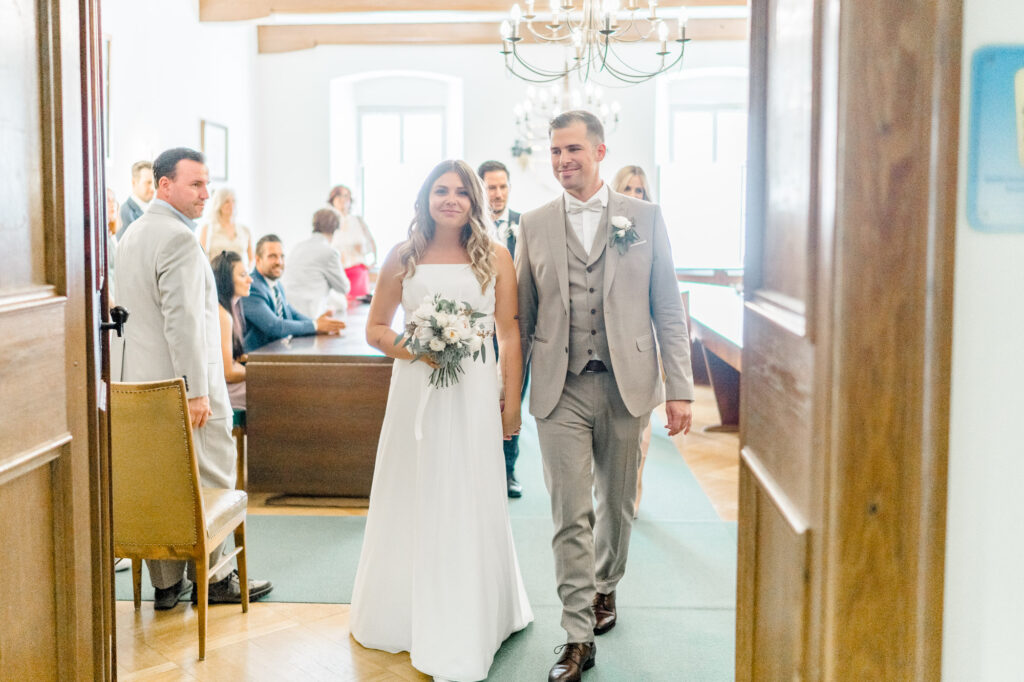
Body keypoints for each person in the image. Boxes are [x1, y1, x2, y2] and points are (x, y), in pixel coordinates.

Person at [516, 111, 694, 681]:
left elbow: (667, 306)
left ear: (600, 151)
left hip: (627, 384)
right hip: (558, 386)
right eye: (554, 152)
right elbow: (521, 316)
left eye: (572, 149)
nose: (563, 160)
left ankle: (605, 585)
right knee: (570, 510)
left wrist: (681, 389)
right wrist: (505, 395)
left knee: (615, 509)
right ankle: (576, 635)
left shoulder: (643, 217)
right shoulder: (534, 223)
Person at [350, 159, 533, 681]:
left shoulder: (495, 256)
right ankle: (404, 612)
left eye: (461, 192)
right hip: (417, 390)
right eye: (440, 191)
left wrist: (511, 400)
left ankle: (476, 610)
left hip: (474, 390)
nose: (450, 200)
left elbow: (510, 334)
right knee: (415, 486)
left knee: (469, 488)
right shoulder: (402, 256)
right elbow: (376, 329)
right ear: (425, 198)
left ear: (475, 201)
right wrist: (415, 348)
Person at [115, 147, 273, 609]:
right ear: (165, 185)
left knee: (160, 486)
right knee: (213, 475)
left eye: (208, 184)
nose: (206, 193)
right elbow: (183, 321)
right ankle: (219, 577)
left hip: (141, 386)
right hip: (186, 388)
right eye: (196, 184)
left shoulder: (132, 235)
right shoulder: (179, 240)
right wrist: (196, 392)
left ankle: (167, 586)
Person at [478, 159, 526, 498]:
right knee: (481, 402)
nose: (498, 193)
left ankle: (508, 472)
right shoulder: (469, 229)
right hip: (479, 333)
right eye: (491, 187)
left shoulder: (526, 226)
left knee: (511, 399)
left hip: (514, 329)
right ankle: (481, 469)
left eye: (503, 186)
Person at [612, 165, 656, 518]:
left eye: (639, 190)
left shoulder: (653, 228)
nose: (633, 195)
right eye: (627, 188)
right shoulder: (604, 229)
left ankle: (637, 484)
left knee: (642, 428)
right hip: (611, 342)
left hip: (642, 341)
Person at [241, 234, 346, 351]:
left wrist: (319, 324)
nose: (279, 262)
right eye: (272, 256)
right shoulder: (251, 286)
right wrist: (315, 326)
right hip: (256, 358)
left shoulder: (276, 285)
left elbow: (292, 314)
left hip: (278, 351)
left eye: (281, 256)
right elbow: (274, 326)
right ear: (258, 259)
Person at [280, 207, 351, 319]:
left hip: (286, 311)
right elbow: (344, 288)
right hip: (309, 315)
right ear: (335, 229)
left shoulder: (298, 247)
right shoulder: (330, 252)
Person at [211, 250, 251, 419]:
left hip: (229, 385)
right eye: (243, 275)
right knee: (272, 393)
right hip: (222, 390)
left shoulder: (233, 309)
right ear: (226, 280)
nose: (250, 280)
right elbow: (229, 373)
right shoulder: (222, 315)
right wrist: (259, 372)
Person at [327, 184, 377, 300]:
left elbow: (371, 242)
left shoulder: (357, 221)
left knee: (358, 311)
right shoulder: (329, 222)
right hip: (337, 274)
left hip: (358, 271)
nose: (342, 200)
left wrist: (373, 261)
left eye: (346, 196)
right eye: (339, 196)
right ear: (333, 200)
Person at [198, 188, 255, 269]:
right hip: (216, 277)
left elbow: (251, 260)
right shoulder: (208, 229)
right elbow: (202, 258)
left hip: (239, 278)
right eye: (226, 201)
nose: (231, 205)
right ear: (219, 204)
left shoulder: (245, 230)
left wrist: (246, 273)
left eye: (233, 201)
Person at [116, 160, 154, 238]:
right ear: (134, 182)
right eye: (148, 183)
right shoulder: (125, 213)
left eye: (154, 183)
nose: (153, 188)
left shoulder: (153, 209)